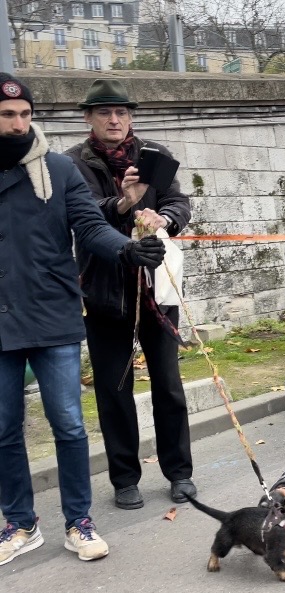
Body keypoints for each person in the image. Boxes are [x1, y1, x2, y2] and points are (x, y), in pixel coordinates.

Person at [0, 74, 166, 565]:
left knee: (69, 424)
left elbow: (91, 226)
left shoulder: (57, 168)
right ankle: (20, 523)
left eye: (25, 114)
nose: (18, 124)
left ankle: (78, 521)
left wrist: (129, 250)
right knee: (5, 429)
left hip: (53, 313)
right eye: (8, 115)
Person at [64, 79, 196, 510]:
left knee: (168, 385)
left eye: (121, 112)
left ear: (131, 117)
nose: (114, 120)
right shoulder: (71, 164)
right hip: (104, 290)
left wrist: (164, 220)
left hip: (156, 286)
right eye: (104, 113)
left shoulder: (154, 155)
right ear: (89, 118)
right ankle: (124, 478)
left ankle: (179, 472)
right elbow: (81, 216)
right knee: (113, 388)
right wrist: (122, 204)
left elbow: (180, 203)